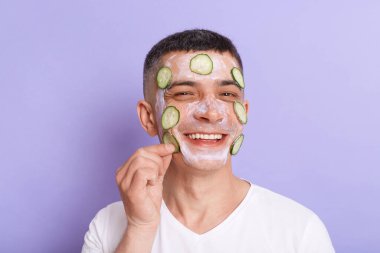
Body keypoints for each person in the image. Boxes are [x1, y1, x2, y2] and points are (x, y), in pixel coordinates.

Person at [81, 29, 335, 253]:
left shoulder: (300, 230)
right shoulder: (108, 226)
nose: (211, 113)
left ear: (243, 112)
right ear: (148, 117)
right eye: (184, 93)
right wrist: (140, 228)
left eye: (227, 94)